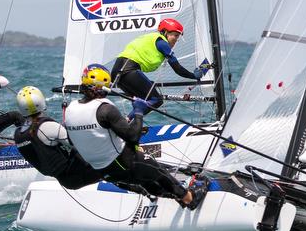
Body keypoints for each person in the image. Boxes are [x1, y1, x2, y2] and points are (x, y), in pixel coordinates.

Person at [64, 63, 206, 209]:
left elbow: (73, 139)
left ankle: (172, 197)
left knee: (145, 181)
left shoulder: (71, 109)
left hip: (101, 170)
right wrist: (138, 111)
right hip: (123, 163)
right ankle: (189, 199)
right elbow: (132, 137)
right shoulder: (105, 109)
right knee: (157, 171)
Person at [110, 18, 210, 115]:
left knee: (140, 100)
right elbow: (178, 69)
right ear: (165, 32)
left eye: (178, 37)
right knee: (156, 100)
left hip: (117, 71)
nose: (176, 39)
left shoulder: (152, 38)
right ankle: (128, 122)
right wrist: (194, 75)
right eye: (174, 35)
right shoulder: (162, 43)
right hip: (129, 71)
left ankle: (132, 125)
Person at [13, 86, 104, 189]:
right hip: (80, 174)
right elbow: (79, 144)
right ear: (42, 101)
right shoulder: (47, 126)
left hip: (65, 180)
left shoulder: (19, 134)